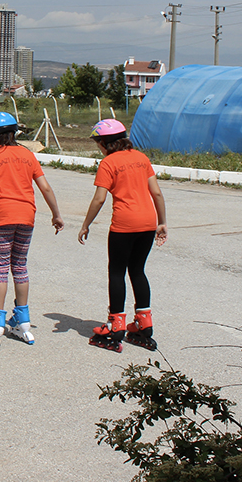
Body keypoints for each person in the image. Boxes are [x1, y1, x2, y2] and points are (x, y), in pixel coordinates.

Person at [0, 112, 64, 349]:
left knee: (0, 268)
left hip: (2, 217)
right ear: (14, 133)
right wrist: (56, 214)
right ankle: (23, 320)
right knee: (20, 265)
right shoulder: (27, 155)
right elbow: (45, 187)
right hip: (26, 217)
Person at [77, 118, 168, 353]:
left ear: (104, 143)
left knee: (116, 272)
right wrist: (162, 222)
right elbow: (156, 193)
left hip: (124, 225)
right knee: (137, 270)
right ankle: (144, 322)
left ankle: (116, 325)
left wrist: (86, 224)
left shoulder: (109, 163)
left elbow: (99, 198)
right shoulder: (141, 158)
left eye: (98, 143)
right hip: (148, 223)